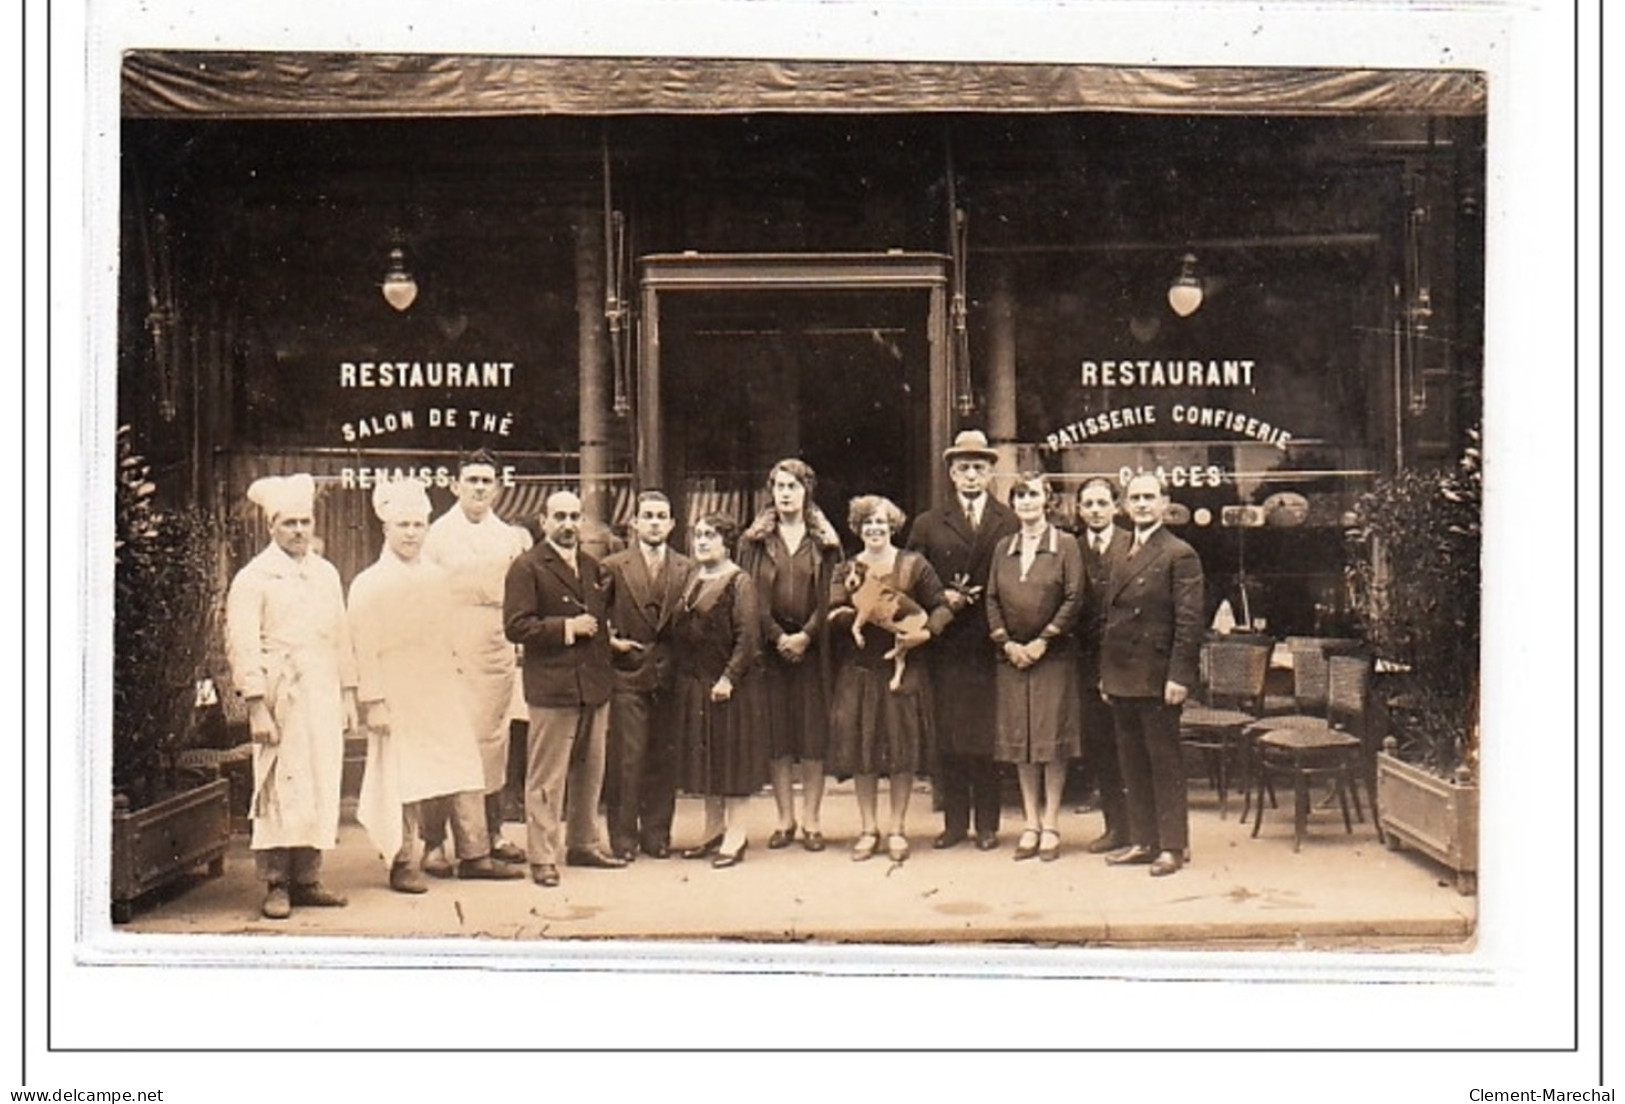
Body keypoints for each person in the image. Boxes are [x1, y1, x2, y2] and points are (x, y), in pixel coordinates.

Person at [349, 479, 522, 892]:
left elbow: (450, 633)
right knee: (404, 778)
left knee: (463, 765)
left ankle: (475, 853)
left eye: (418, 524)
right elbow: (363, 647)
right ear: (386, 529)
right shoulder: (369, 583)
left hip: (442, 686)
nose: (411, 533)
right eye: (403, 525)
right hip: (396, 692)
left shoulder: (438, 578)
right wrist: (373, 701)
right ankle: (404, 860)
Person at [224, 473, 358, 919]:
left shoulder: (326, 573)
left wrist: (348, 693)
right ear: (271, 528)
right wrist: (257, 706)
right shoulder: (254, 578)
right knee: (281, 785)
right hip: (281, 694)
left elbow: (341, 636)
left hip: (321, 690)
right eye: (289, 524)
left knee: (319, 782)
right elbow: (242, 643)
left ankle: (308, 878)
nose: (299, 531)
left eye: (305, 521)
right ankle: (276, 883)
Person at [503, 489, 626, 888]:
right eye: (560, 517)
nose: (569, 524)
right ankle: (542, 856)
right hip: (552, 688)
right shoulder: (526, 567)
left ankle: (583, 844)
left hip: (593, 685)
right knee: (546, 778)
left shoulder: (592, 567)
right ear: (543, 520)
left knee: (590, 772)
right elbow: (516, 627)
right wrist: (567, 629)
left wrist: (610, 649)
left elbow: (600, 624)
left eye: (575, 516)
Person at [905, 428, 1019, 851]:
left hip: (989, 640)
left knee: (986, 736)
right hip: (948, 644)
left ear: (991, 472)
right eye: (963, 468)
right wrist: (939, 601)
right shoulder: (929, 523)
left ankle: (987, 824)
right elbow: (910, 578)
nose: (971, 475)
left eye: (979, 468)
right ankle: (954, 823)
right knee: (950, 735)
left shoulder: (1008, 520)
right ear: (951, 474)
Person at [420, 449, 532, 874]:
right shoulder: (435, 536)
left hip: (495, 644)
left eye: (487, 481)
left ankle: (492, 834)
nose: (480, 488)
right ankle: (435, 843)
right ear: (455, 485)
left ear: (498, 488)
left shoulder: (510, 537)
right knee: (447, 742)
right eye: (472, 480)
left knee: (493, 742)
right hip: (448, 644)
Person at [827, 496, 952, 863]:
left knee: (902, 750)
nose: (874, 529)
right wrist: (855, 618)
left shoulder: (914, 565)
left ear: (893, 526)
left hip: (904, 667)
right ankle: (868, 828)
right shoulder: (846, 567)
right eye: (867, 523)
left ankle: (897, 828)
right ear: (858, 527)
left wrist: (925, 632)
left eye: (881, 522)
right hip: (860, 670)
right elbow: (833, 610)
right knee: (862, 751)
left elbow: (941, 605)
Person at [1100, 473, 1205, 877]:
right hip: (1122, 674)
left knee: (1164, 762)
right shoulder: (1120, 549)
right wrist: (1104, 675)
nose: (1142, 504)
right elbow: (1109, 618)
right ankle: (1143, 841)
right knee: (1131, 762)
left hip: (1158, 676)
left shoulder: (1179, 553)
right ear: (1125, 505)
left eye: (1150, 497)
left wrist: (1179, 675)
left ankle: (1173, 847)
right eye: (1135, 498)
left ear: (1165, 503)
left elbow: (1190, 622)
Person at [736, 459, 843, 852]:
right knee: (778, 737)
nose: (785, 494)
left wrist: (808, 635)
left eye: (793, 487)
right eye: (779, 486)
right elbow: (748, 595)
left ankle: (812, 822)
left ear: (806, 492)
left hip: (814, 650)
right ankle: (785, 820)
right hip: (771, 651)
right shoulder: (755, 541)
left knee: (812, 737)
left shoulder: (825, 542)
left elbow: (835, 593)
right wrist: (779, 636)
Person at [985, 472, 1085, 863]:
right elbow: (991, 597)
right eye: (1020, 496)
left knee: (1050, 740)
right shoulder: (1003, 547)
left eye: (1034, 495)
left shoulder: (1065, 544)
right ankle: (1029, 822)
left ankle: (1051, 823)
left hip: (1052, 656)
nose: (1027, 502)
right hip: (1012, 659)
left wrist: (1044, 639)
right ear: (1013, 503)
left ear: (1048, 501)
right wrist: (1007, 643)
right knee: (1022, 741)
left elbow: (1074, 597)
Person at [600, 490, 695, 861]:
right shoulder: (612, 566)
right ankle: (623, 839)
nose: (654, 522)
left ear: (672, 524)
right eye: (648, 516)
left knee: (663, 756)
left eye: (661, 516)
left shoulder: (687, 568)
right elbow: (597, 618)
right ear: (635, 523)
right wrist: (613, 644)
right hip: (628, 672)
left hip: (670, 673)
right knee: (628, 757)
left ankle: (657, 834)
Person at [671, 514, 765, 869]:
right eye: (697, 535)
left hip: (731, 689)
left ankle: (736, 837)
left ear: (727, 542)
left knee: (732, 764)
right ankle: (712, 833)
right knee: (708, 763)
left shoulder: (741, 582)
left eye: (710, 535)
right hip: (698, 685)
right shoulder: (693, 579)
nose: (702, 541)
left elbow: (748, 637)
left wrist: (728, 678)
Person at [1073, 476, 1132, 854]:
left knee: (1133, 749)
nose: (1095, 510)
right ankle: (1116, 827)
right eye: (1088, 504)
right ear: (1079, 510)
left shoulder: (1132, 544)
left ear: (1115, 506)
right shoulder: (1071, 547)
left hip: (1129, 663)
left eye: (1101, 503)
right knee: (1103, 749)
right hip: (1087, 665)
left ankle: (1145, 828)